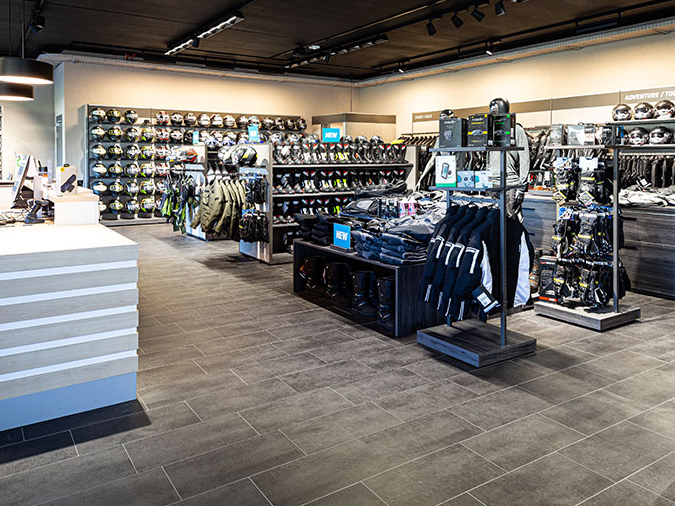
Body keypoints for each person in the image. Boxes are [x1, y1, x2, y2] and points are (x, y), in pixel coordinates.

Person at [486, 98, 530, 221]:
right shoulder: (491, 130)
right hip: (492, 184)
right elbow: (488, 158)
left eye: (496, 111)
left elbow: (525, 159)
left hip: (510, 184)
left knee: (511, 222)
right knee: (492, 222)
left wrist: (521, 187)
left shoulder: (517, 130)